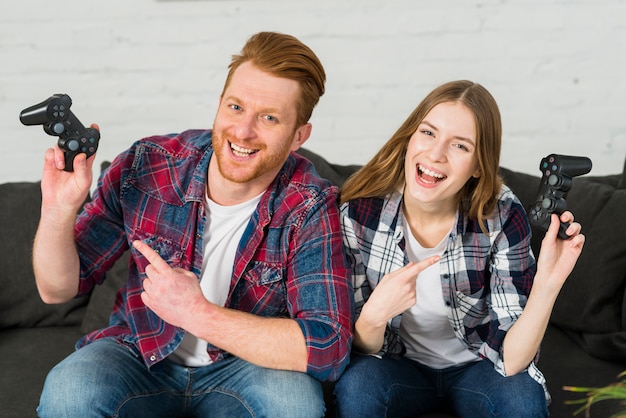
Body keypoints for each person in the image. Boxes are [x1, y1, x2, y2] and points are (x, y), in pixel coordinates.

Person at [33, 31, 354, 418]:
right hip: (138, 351)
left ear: (298, 136)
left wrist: (197, 314)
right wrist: (57, 210)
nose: (243, 131)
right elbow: (57, 289)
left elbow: (327, 346)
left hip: (247, 367)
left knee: (294, 407)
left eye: (269, 118)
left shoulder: (310, 206)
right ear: (219, 104)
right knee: (69, 393)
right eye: (236, 107)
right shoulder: (147, 165)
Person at [334, 80, 585, 417]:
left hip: (477, 368)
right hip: (397, 367)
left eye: (460, 146)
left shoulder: (502, 215)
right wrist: (375, 315)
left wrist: (547, 284)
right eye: (428, 133)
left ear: (479, 166)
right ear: (410, 137)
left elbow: (512, 361)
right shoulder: (360, 212)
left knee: (522, 397)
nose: (435, 154)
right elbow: (360, 350)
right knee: (358, 386)